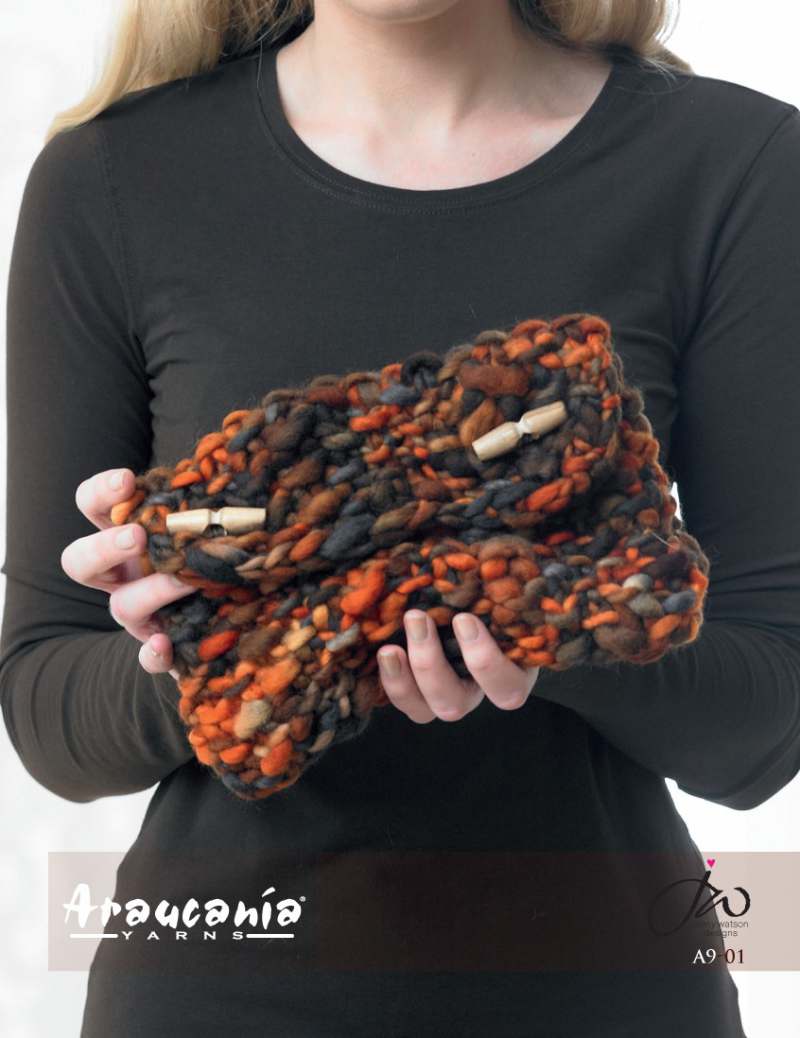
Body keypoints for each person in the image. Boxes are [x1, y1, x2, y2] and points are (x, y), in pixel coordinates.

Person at [2, 0, 799, 1034]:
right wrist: (232, 656)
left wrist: (527, 623)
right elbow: (46, 707)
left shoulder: (734, 165)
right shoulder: (113, 176)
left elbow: (765, 720)